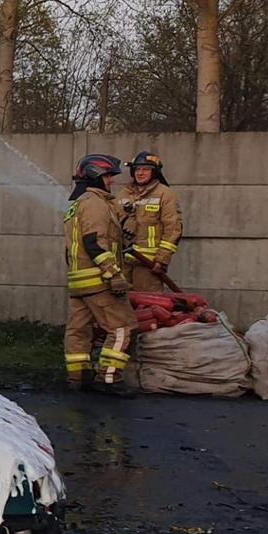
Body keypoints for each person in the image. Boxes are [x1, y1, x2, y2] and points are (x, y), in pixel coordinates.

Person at [63, 154, 138, 395]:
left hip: (79, 282)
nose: (111, 181)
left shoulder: (78, 204)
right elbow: (94, 242)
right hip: (98, 280)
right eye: (107, 176)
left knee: (78, 331)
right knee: (122, 326)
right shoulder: (94, 203)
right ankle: (109, 378)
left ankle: (78, 377)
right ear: (95, 176)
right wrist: (113, 273)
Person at [117, 150, 183, 291]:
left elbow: (173, 229)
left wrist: (162, 260)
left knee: (147, 305)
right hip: (123, 263)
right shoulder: (123, 194)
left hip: (148, 264)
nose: (140, 173)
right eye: (137, 169)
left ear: (154, 172)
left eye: (146, 169)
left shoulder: (165, 194)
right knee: (121, 306)